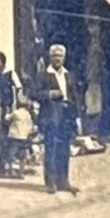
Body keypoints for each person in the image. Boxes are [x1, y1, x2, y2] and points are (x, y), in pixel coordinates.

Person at [35, 43, 82, 194]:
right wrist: (49, 94)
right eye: (55, 56)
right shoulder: (43, 75)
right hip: (51, 116)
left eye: (60, 56)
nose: (57, 59)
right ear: (50, 57)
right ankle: (51, 182)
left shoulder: (69, 75)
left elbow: (75, 97)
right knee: (51, 149)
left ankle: (64, 180)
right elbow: (33, 93)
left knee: (64, 148)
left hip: (66, 115)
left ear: (64, 57)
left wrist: (77, 118)